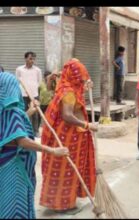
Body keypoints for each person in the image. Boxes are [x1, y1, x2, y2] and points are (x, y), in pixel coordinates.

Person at [0, 72, 69, 219]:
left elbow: (13, 125)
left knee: (5, 199)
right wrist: (52, 150)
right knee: (15, 203)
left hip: (4, 162)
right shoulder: (12, 111)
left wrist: (30, 111)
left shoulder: (3, 110)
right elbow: (22, 140)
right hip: (15, 165)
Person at [39, 58, 98, 214]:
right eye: (80, 78)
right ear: (73, 76)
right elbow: (67, 115)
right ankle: (62, 205)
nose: (81, 80)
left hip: (73, 136)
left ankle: (65, 202)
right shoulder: (68, 92)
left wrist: (86, 85)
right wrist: (87, 125)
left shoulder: (66, 85)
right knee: (66, 169)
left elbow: (79, 91)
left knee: (68, 169)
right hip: (67, 137)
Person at [16, 51, 43, 137]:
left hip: (34, 95)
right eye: (30, 58)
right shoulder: (19, 69)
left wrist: (33, 89)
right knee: (24, 113)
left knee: (36, 114)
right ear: (26, 59)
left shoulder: (37, 70)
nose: (32, 61)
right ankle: (24, 130)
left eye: (34, 59)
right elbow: (17, 81)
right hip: (23, 95)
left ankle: (36, 131)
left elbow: (39, 82)